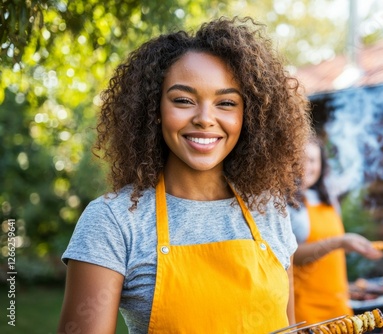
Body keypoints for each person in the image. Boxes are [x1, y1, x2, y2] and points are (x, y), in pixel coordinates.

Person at [57, 17, 312, 334]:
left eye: (226, 102)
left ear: (251, 115)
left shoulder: (270, 210)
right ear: (153, 109)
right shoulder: (113, 221)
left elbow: (289, 328)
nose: (205, 119)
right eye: (183, 100)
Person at [289, 136, 383, 325]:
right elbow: (293, 257)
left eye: (312, 160)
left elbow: (333, 249)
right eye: (299, 159)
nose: (306, 166)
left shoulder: (329, 200)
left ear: (322, 164)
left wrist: (353, 245)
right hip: (305, 308)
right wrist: (340, 242)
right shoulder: (286, 204)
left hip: (338, 304)